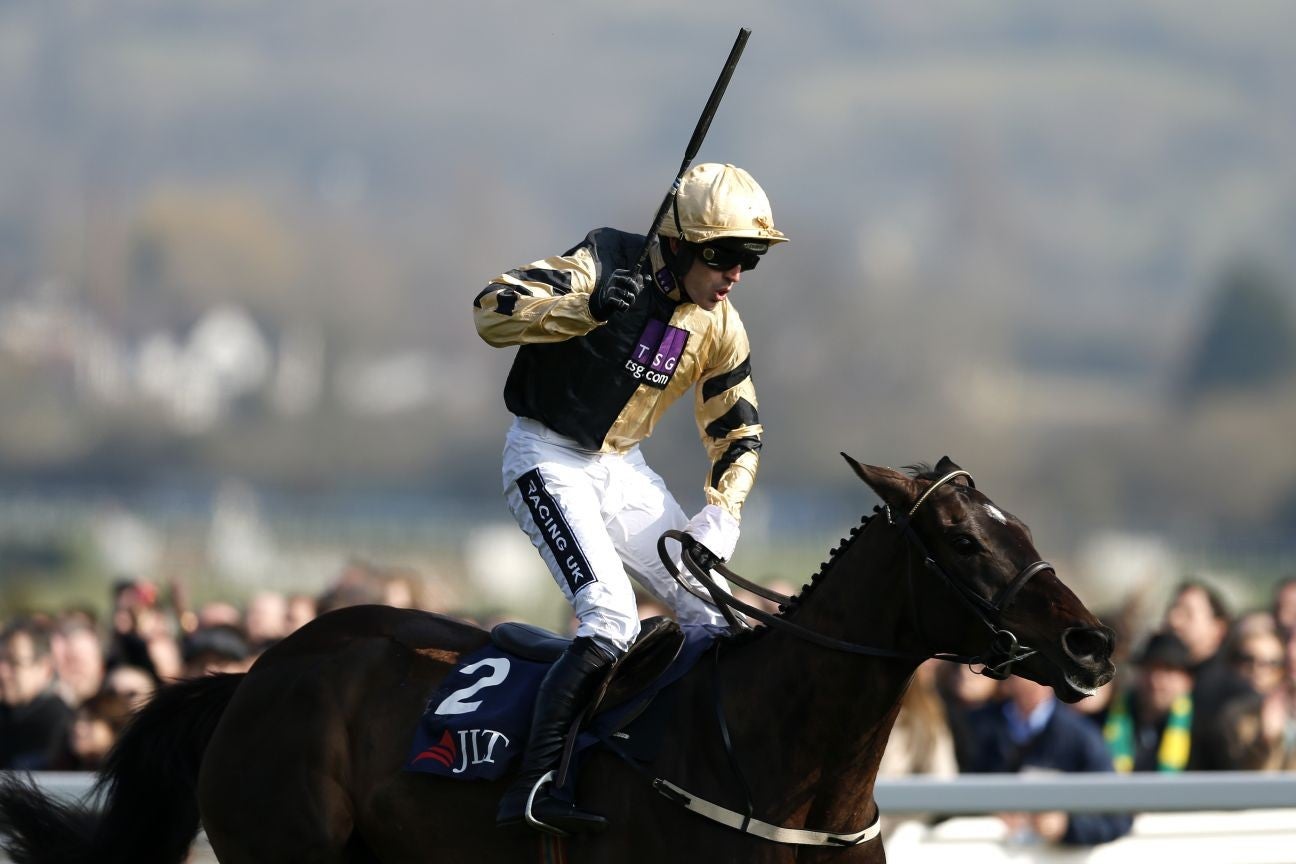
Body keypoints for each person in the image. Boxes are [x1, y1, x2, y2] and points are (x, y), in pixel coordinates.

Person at [473, 162, 787, 834]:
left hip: (620, 467)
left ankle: (695, 776)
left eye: (749, 261)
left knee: (714, 616)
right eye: (725, 256)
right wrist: (580, 309)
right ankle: (531, 788)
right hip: (545, 455)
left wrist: (723, 514)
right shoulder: (603, 259)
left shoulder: (721, 324)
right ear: (678, 243)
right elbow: (490, 312)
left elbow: (740, 430)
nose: (735, 275)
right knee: (611, 618)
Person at [964, 675, 1133, 846]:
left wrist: (1066, 826)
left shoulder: (1081, 737)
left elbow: (1117, 817)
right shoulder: (974, 726)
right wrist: (990, 810)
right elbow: (953, 795)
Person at [1102, 631, 1194, 772]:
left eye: (1168, 670)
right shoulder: (1107, 718)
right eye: (1150, 669)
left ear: (1187, 681)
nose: (1156, 681)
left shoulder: (1202, 730)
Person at [0, 618, 77, 770]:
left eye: (14, 662)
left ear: (45, 668)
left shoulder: (61, 724)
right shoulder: (6, 714)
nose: (2, 672)